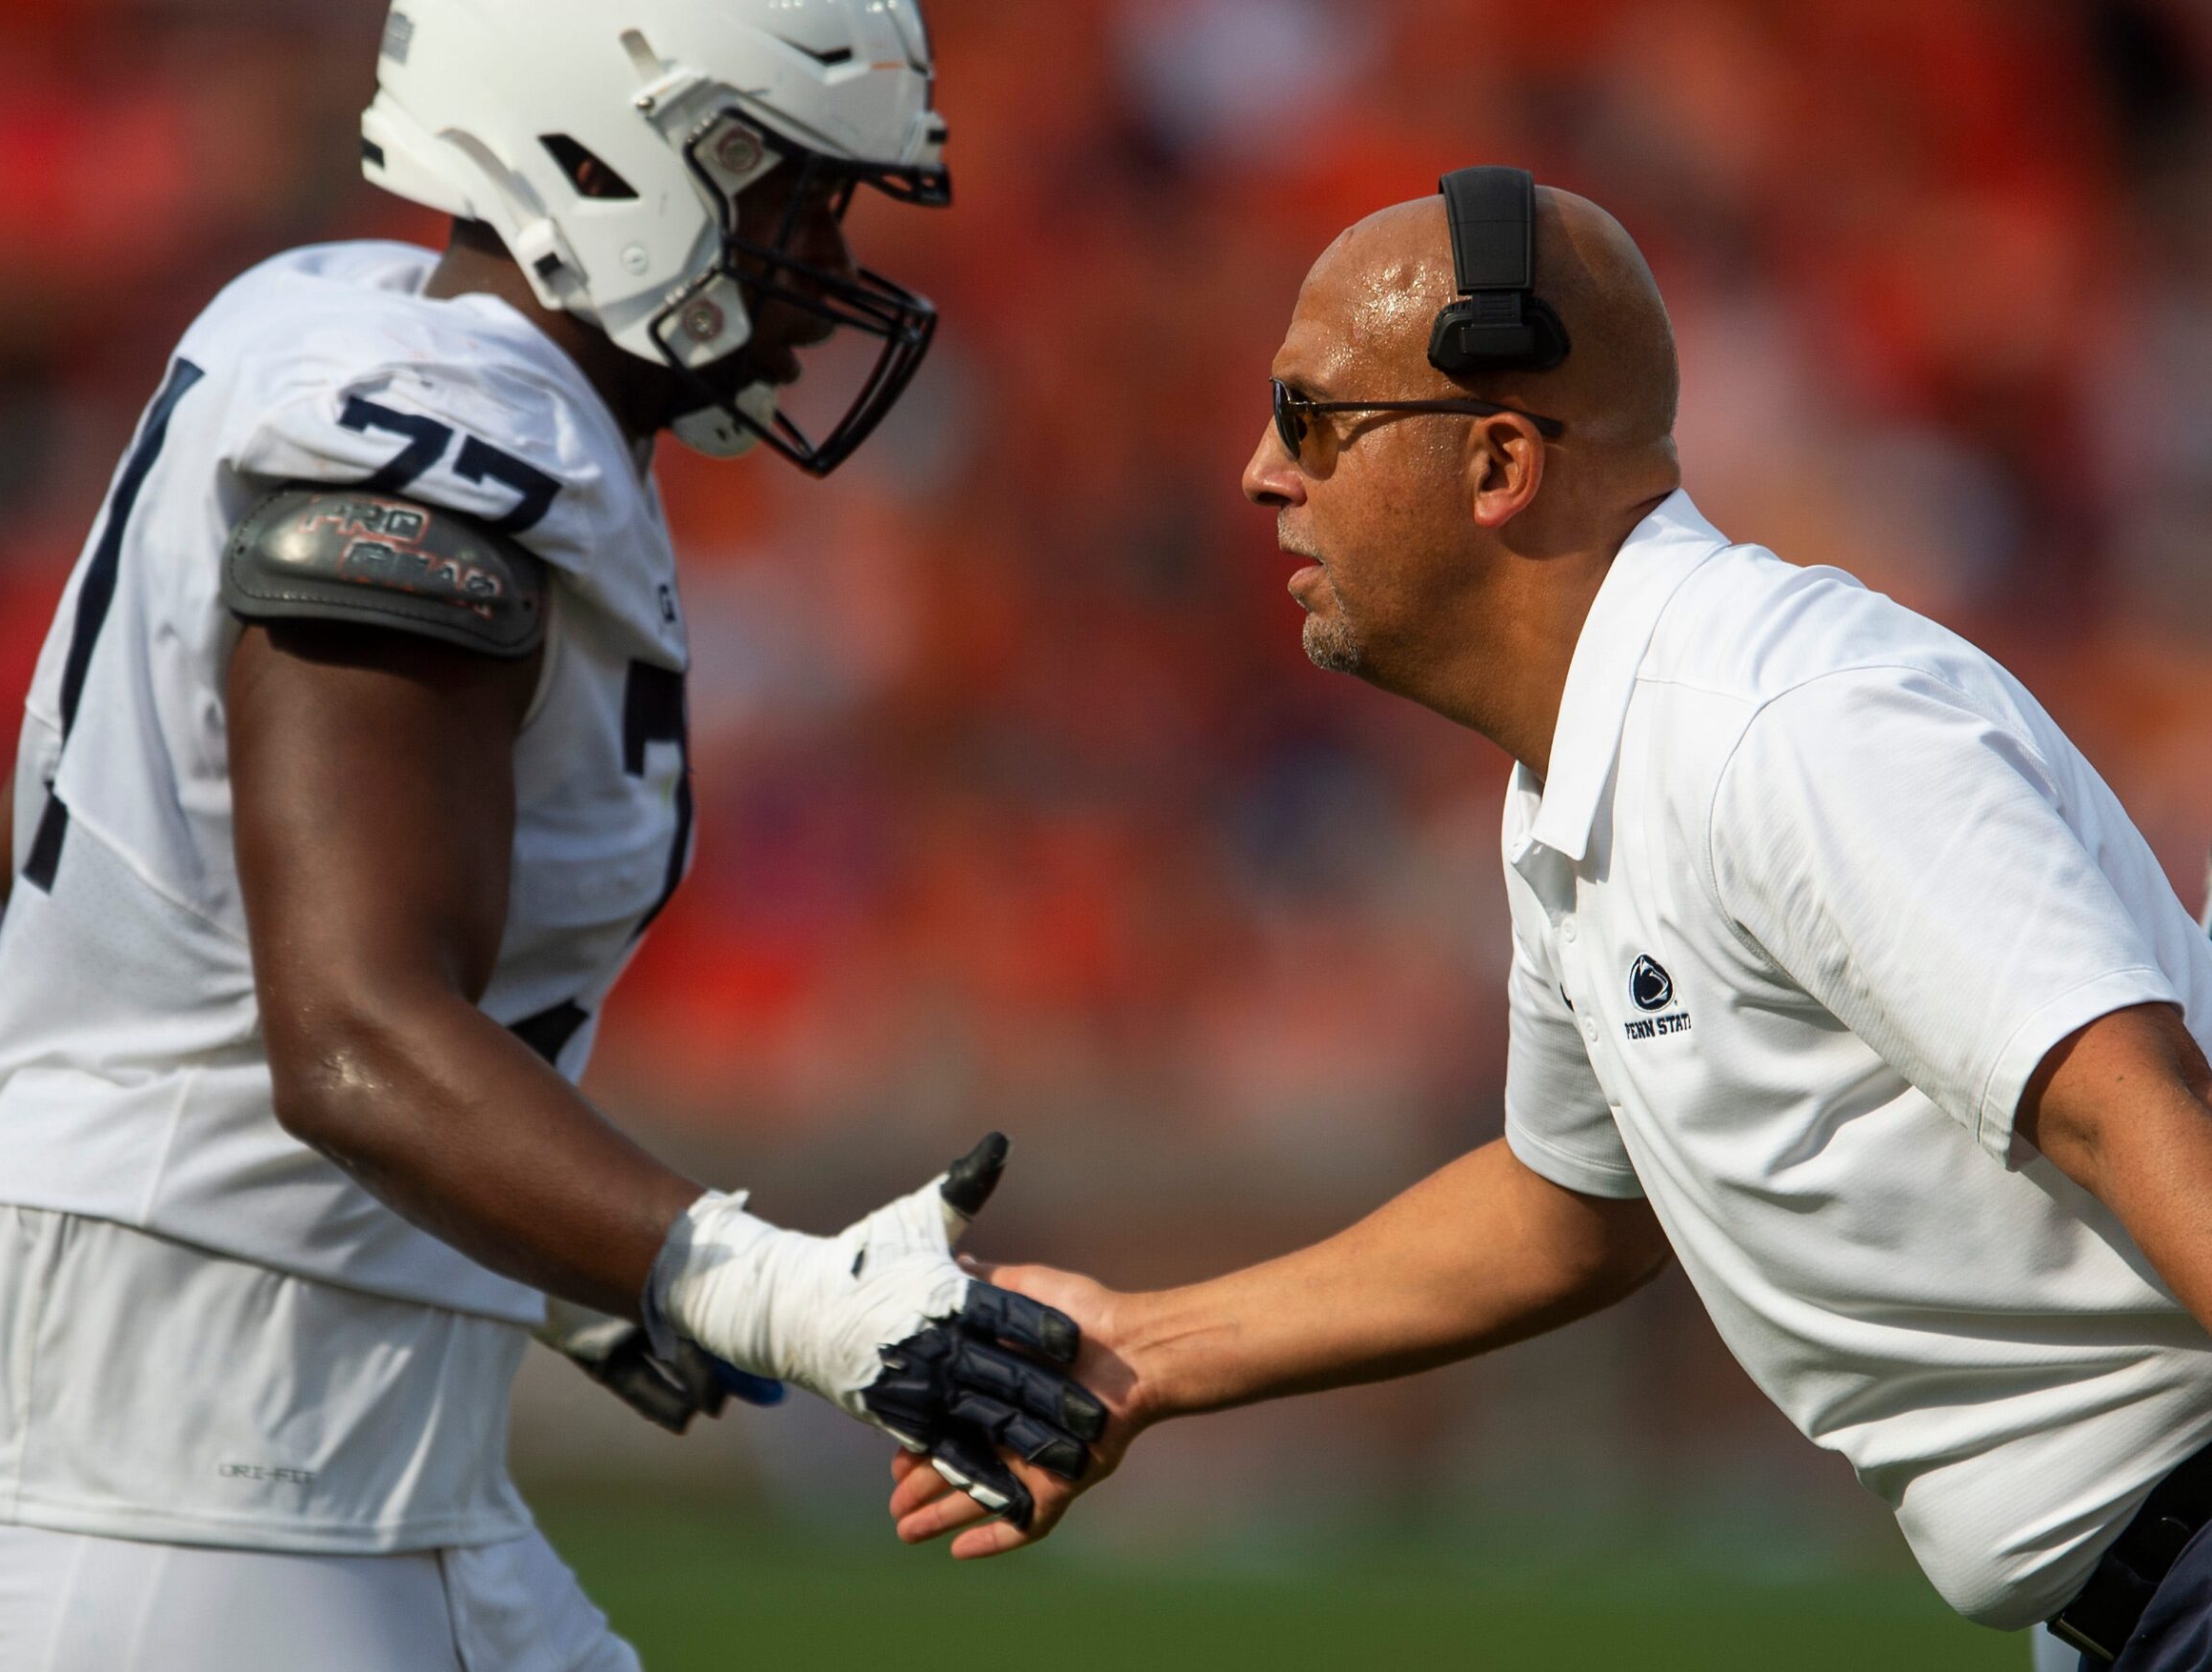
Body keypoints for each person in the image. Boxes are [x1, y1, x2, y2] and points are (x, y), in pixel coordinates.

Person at [0, 3, 1104, 1668]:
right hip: (152, 1502)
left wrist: (562, 1257)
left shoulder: (348, 320)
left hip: (312, 1468)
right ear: (616, 156)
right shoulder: (438, 444)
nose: (820, 263)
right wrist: (759, 1287)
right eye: (793, 195)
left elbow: (60, 836)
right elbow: (350, 1031)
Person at [887, 170, 2212, 1672]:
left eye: (1313, 418)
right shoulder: (1591, 765)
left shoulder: (1782, 722)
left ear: (1500, 458)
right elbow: (1573, 1208)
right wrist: (1147, 1353)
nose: (1261, 471)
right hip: (2129, 1607)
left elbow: (2131, 1107)